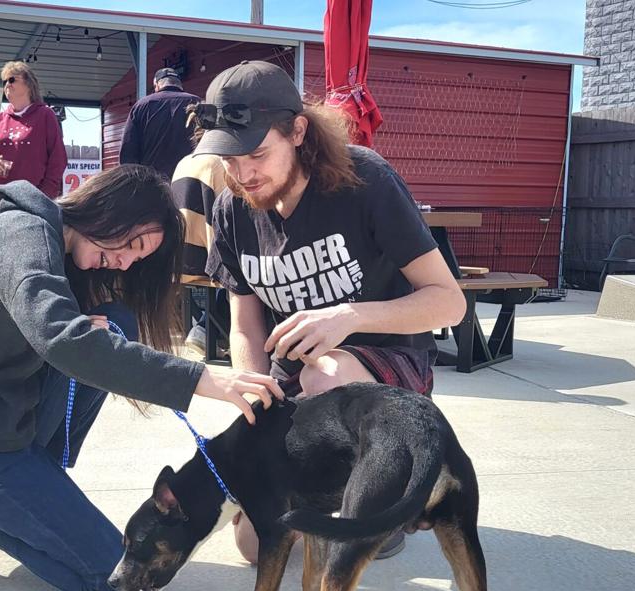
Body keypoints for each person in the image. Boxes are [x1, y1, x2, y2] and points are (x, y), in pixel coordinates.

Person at [0, 164, 283, 591]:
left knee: (114, 324)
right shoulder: (21, 234)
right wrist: (200, 378)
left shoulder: (59, 250)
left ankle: (30, 484)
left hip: (3, 420)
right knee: (114, 581)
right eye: (132, 245)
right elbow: (61, 340)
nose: (125, 262)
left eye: (137, 260)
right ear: (109, 209)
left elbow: (70, 339)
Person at [192, 61, 467, 564]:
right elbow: (244, 323)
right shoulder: (232, 209)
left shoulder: (365, 180)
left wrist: (349, 316)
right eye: (229, 159)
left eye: (257, 154)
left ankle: (381, 492)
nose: (243, 174)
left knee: (326, 372)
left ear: (298, 132)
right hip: (295, 377)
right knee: (254, 547)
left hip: (385, 370)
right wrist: (255, 393)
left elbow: (449, 301)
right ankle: (333, 498)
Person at [0, 61, 67, 217]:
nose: (7, 85)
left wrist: (44, 195)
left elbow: (58, 159)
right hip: (0, 202)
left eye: (12, 79)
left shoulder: (45, 115)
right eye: (4, 81)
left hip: (33, 202)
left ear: (29, 84)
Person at [171, 152, 230, 355]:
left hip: (181, 260)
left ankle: (205, 329)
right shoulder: (220, 163)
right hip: (209, 261)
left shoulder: (183, 162)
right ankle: (207, 329)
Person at [119, 67, 199, 179]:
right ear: (179, 84)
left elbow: (128, 151)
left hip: (153, 182)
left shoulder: (142, 105)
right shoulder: (197, 103)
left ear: (156, 85)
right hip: (191, 179)